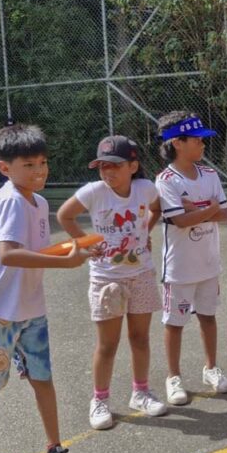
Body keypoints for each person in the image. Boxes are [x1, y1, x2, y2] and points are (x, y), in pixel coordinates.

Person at [0, 124, 92, 453]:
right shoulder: (11, 201)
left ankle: (55, 450)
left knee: (43, 380)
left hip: (31, 309)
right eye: (29, 165)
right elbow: (9, 254)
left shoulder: (39, 201)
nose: (40, 171)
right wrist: (66, 262)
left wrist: (74, 248)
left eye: (43, 162)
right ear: (5, 168)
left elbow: (35, 252)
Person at [57, 135, 168, 430]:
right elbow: (64, 215)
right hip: (107, 278)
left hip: (141, 274)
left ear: (133, 166)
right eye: (102, 166)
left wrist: (147, 233)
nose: (107, 172)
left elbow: (157, 209)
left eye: (115, 166)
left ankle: (140, 392)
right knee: (107, 344)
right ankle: (100, 400)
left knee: (140, 338)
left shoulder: (145, 188)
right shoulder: (94, 192)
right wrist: (83, 241)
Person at [154, 112, 227, 406]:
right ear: (177, 142)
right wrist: (208, 208)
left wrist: (197, 210)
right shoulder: (166, 180)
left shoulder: (209, 175)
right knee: (175, 322)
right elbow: (179, 221)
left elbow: (225, 213)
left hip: (208, 265)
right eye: (197, 140)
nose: (202, 145)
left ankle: (210, 368)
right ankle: (173, 377)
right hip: (180, 270)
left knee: (208, 317)